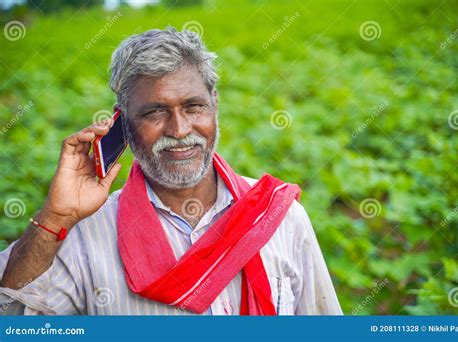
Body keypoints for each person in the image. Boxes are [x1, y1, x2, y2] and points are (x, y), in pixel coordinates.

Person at [0, 27, 342, 316]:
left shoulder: (279, 216)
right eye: (155, 112)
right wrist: (55, 217)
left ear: (215, 105)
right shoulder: (84, 234)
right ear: (123, 123)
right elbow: (9, 318)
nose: (179, 130)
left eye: (194, 106)